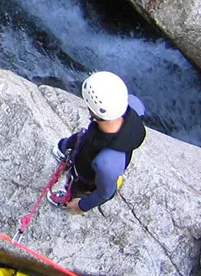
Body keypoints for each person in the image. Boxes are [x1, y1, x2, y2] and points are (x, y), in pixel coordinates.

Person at [48, 71, 146, 213]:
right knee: (77, 140)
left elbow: (105, 193)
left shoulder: (106, 163)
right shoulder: (133, 105)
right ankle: (63, 149)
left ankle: (68, 198)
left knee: (79, 185)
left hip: (88, 173)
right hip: (91, 140)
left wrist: (82, 205)